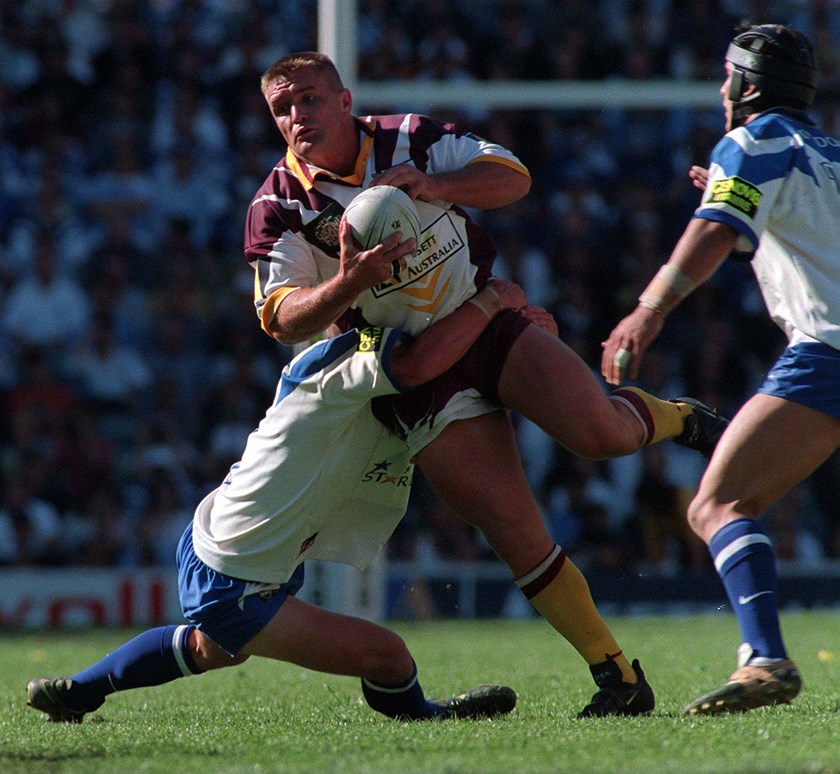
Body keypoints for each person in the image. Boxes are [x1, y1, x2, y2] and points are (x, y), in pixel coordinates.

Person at [246, 51, 729, 717]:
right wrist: (351, 280)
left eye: (309, 98)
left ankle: (678, 417)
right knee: (514, 532)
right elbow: (278, 316)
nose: (298, 114)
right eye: (283, 107)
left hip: (489, 316)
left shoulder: (409, 138)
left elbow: (514, 177)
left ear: (344, 99)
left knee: (601, 436)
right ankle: (619, 677)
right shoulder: (277, 204)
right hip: (413, 369)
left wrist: (436, 186)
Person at [26, 251, 526, 724]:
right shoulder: (348, 357)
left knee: (211, 649)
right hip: (237, 573)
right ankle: (430, 718)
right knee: (390, 657)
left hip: (228, 544)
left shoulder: (343, 360)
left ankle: (81, 692)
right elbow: (420, 364)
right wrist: (490, 303)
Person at [601, 22, 834, 715]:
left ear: (747, 86)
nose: (719, 89)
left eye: (727, 75)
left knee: (718, 504)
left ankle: (763, 659)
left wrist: (649, 308)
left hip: (829, 352)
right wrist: (731, 200)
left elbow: (716, 232)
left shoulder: (753, 140)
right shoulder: (828, 155)